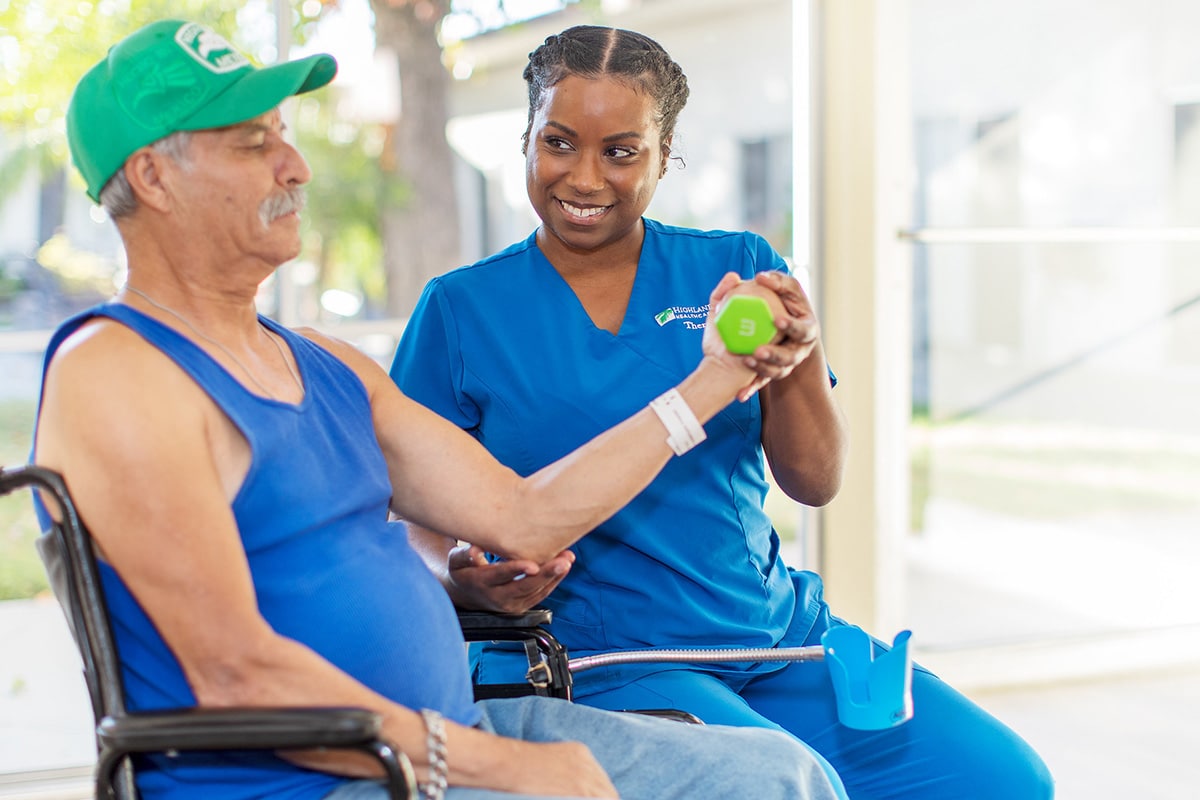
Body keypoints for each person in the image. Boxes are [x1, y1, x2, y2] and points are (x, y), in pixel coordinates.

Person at [31, 19, 847, 800]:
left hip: (439, 731)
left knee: (783, 776)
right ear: (152, 177)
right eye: (255, 144)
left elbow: (522, 517)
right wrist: (501, 765)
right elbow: (234, 675)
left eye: (285, 133)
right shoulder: (118, 372)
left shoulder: (321, 363)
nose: (296, 166)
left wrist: (715, 381)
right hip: (328, 777)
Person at [390, 24, 1054, 800]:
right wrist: (462, 584)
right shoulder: (463, 310)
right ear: (528, 138)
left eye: (621, 151)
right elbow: (410, 516)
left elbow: (814, 481)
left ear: (665, 154)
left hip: (779, 639)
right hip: (615, 661)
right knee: (794, 788)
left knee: (1005, 780)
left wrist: (796, 356)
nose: (584, 177)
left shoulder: (735, 272)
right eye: (560, 142)